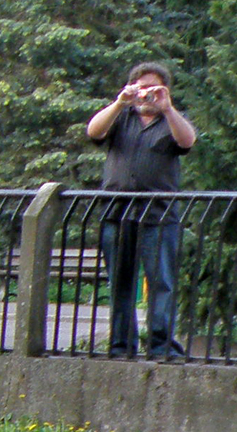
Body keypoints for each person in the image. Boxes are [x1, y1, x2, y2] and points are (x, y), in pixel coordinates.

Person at [86, 62, 198, 361]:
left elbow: (187, 141)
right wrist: (120, 102)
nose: (146, 93)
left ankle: (162, 348)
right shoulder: (120, 118)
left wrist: (168, 108)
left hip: (159, 216)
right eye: (141, 86)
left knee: (161, 283)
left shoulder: (171, 121)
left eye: (153, 86)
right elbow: (93, 131)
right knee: (120, 284)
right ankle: (121, 346)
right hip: (117, 212)